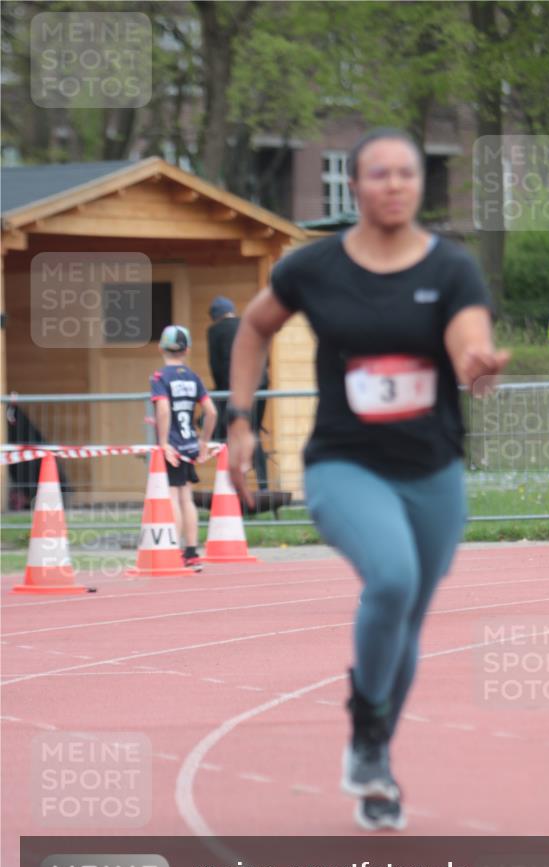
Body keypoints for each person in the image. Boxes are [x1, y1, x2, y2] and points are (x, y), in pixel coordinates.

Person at [227, 127, 510, 830]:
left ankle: (369, 743)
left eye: (405, 174)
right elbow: (253, 328)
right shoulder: (313, 268)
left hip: (432, 469)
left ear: (419, 185)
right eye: (378, 174)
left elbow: (464, 336)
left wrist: (474, 364)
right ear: (353, 187)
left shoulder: (450, 269)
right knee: (390, 578)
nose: (393, 185)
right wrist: (237, 418)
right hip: (343, 464)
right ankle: (370, 735)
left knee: (408, 618)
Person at [150, 324, 217, 570]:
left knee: (172, 497)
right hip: (190, 442)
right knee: (186, 498)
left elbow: (165, 409)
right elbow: (211, 412)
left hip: (174, 446)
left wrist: (164, 441)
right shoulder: (193, 377)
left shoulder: (159, 377)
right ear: (187, 350)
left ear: (160, 348)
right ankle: (191, 551)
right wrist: (204, 442)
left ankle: (175, 551)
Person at [207, 295, 269, 489]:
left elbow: (216, 365)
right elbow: (264, 355)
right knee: (254, 431)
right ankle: (263, 485)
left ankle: (231, 486)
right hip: (261, 385)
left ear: (215, 316)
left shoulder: (215, 330)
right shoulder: (246, 324)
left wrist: (220, 392)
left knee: (230, 433)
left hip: (234, 388)